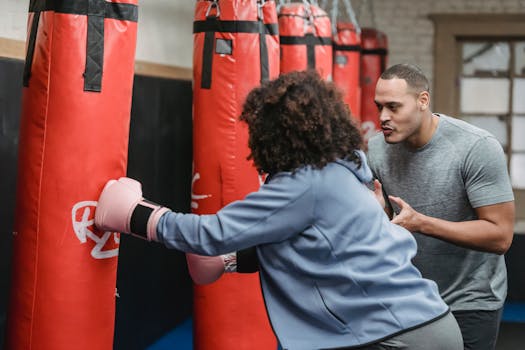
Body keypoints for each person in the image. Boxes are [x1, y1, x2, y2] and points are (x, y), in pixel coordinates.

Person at [95, 70, 463, 349]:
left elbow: (209, 234)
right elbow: (317, 251)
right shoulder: (343, 172)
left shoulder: (308, 183)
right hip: (419, 326)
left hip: (397, 335)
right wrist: (231, 261)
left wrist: (133, 214)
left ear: (275, 133)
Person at [366, 63, 515, 350]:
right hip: (410, 296)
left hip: (470, 300)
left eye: (394, 107)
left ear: (423, 101)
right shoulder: (376, 149)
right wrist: (374, 215)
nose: (383, 117)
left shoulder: (476, 147)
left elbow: (501, 236)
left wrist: (421, 223)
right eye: (379, 106)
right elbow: (387, 226)